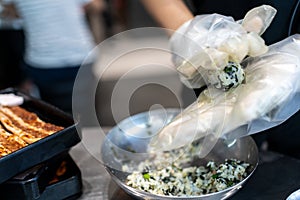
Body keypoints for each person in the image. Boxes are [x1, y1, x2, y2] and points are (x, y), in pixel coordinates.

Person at [141, 0, 300, 158]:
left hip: (293, 97)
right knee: (208, 154)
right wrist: (187, 32)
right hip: (207, 62)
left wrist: (294, 57)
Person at [1, 0, 104, 113]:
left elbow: (8, 13)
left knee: (53, 116)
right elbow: (97, 6)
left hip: (42, 62)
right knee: (83, 113)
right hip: (79, 57)